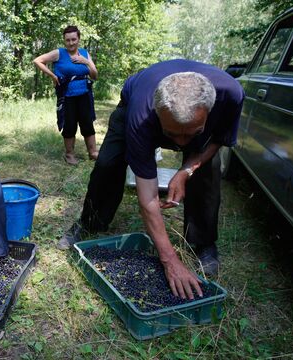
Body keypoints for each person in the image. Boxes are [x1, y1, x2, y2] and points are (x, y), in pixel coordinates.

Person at [58, 59, 245, 300]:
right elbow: (148, 198)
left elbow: (219, 137)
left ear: (210, 111)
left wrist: (187, 170)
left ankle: (204, 243)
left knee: (207, 170)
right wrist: (169, 260)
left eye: (190, 134)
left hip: (192, 119)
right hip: (134, 104)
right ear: (158, 114)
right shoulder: (142, 113)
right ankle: (91, 222)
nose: (180, 144)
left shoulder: (231, 95)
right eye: (171, 134)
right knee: (108, 164)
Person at [33, 25, 99, 165]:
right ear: (64, 40)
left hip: (85, 95)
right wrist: (52, 76)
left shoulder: (85, 54)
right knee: (69, 125)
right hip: (67, 96)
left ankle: (93, 152)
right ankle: (69, 154)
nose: (71, 43)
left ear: (79, 39)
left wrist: (86, 62)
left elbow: (94, 76)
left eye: (73, 39)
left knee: (87, 122)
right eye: (67, 40)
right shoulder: (59, 53)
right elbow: (38, 61)